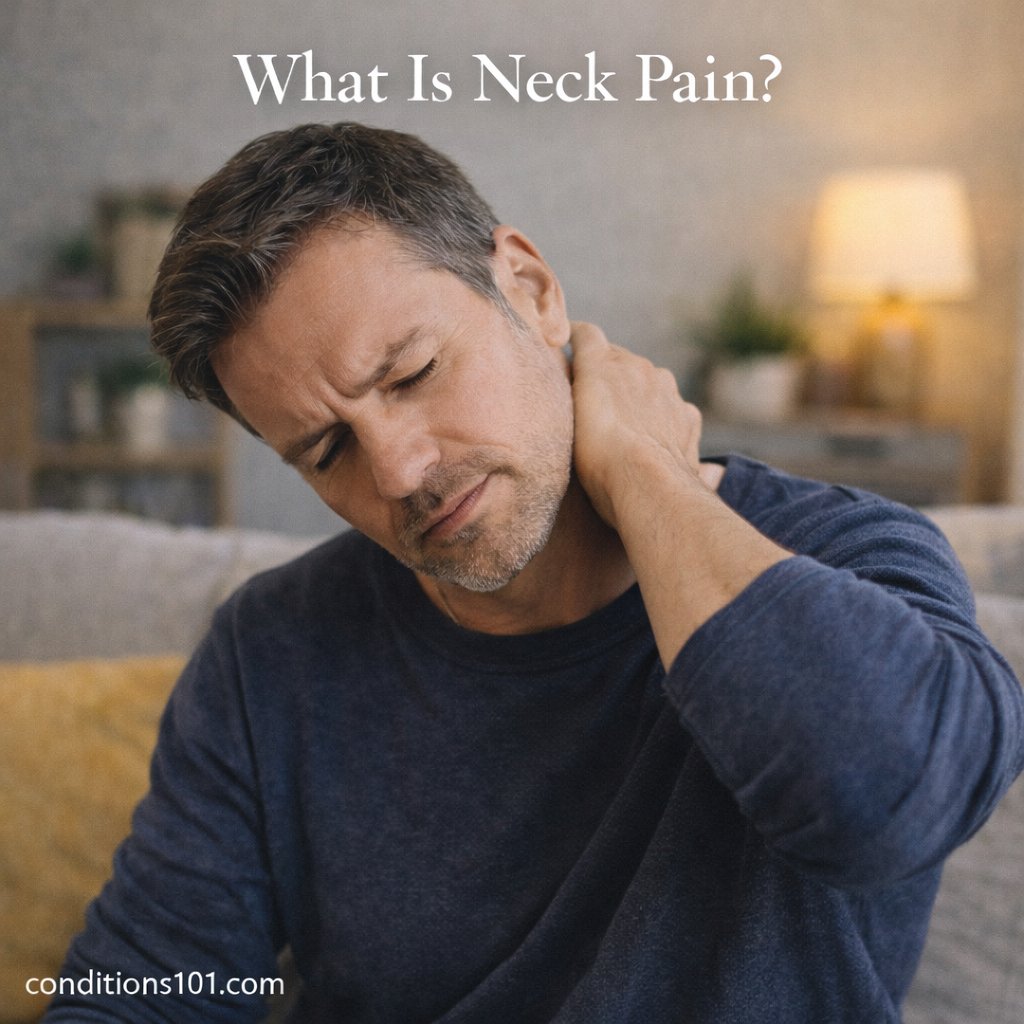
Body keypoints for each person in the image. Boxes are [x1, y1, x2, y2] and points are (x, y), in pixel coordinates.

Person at [44, 122, 1022, 1024]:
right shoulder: (272, 646)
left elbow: (886, 805)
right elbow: (149, 987)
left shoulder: (852, 555)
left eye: (413, 373)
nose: (400, 472)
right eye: (326, 449)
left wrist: (646, 473)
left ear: (532, 289)